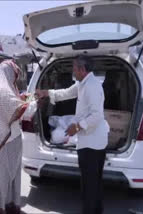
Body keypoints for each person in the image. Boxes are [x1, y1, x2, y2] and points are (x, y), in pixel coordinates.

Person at [36, 55, 110, 214]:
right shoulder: (82, 83)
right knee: (92, 183)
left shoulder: (93, 86)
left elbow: (97, 115)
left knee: (90, 185)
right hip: (88, 141)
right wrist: (46, 92)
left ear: (82, 70)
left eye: (74, 68)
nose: (73, 70)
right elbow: (66, 93)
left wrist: (77, 127)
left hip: (93, 144)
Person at [0, 60, 37, 214]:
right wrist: (34, 100)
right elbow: (23, 111)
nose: (15, 79)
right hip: (6, 140)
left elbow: (12, 105)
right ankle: (2, 208)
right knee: (6, 177)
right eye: (14, 75)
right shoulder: (3, 90)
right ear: (9, 74)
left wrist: (24, 98)